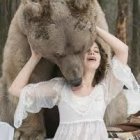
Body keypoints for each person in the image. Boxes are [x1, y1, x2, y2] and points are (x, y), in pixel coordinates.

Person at [9, 27, 138, 140]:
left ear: (100, 62)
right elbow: (15, 89)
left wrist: (94, 28)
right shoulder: (60, 88)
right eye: (87, 50)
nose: (92, 52)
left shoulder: (105, 89)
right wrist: (35, 57)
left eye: (96, 51)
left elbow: (123, 50)